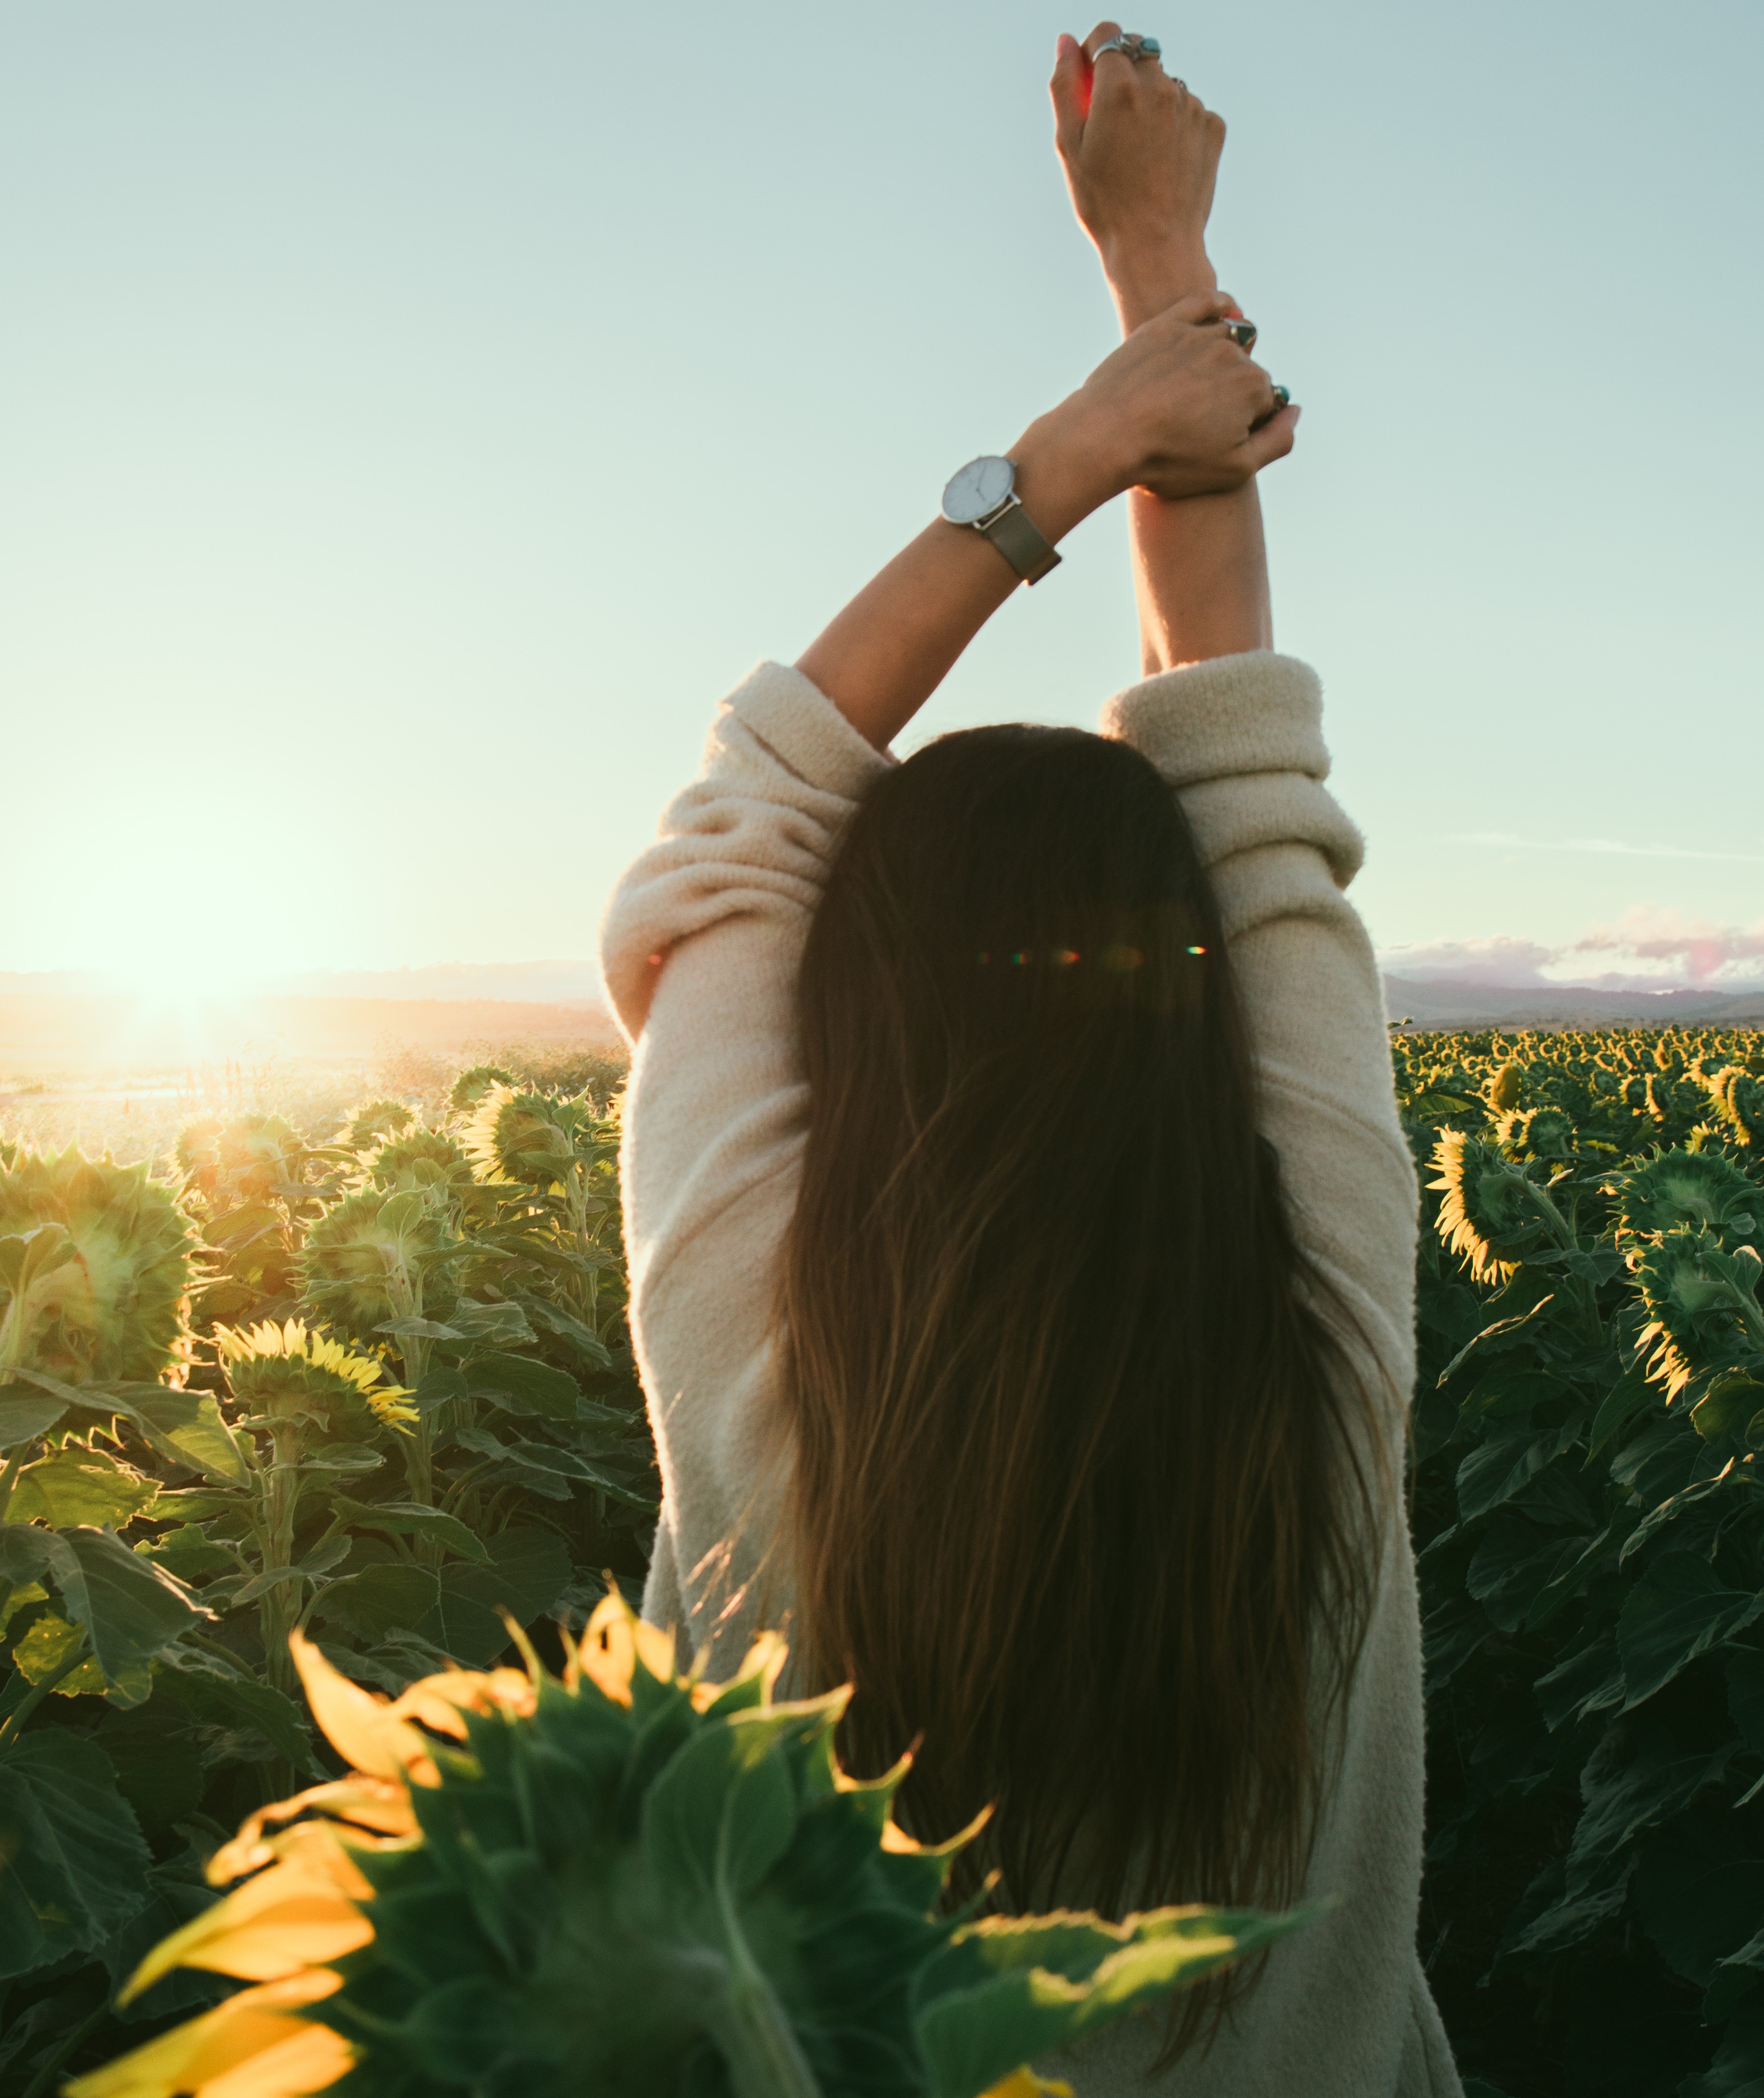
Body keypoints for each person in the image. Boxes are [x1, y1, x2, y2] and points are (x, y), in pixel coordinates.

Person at [600, 22, 1460, 2095]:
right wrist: (1163, 257)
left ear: (846, 1005)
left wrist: (1070, 446)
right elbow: (1239, 738)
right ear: (1204, 992)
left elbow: (750, 805)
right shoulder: (1330, 1308)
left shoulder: (750, 1343)